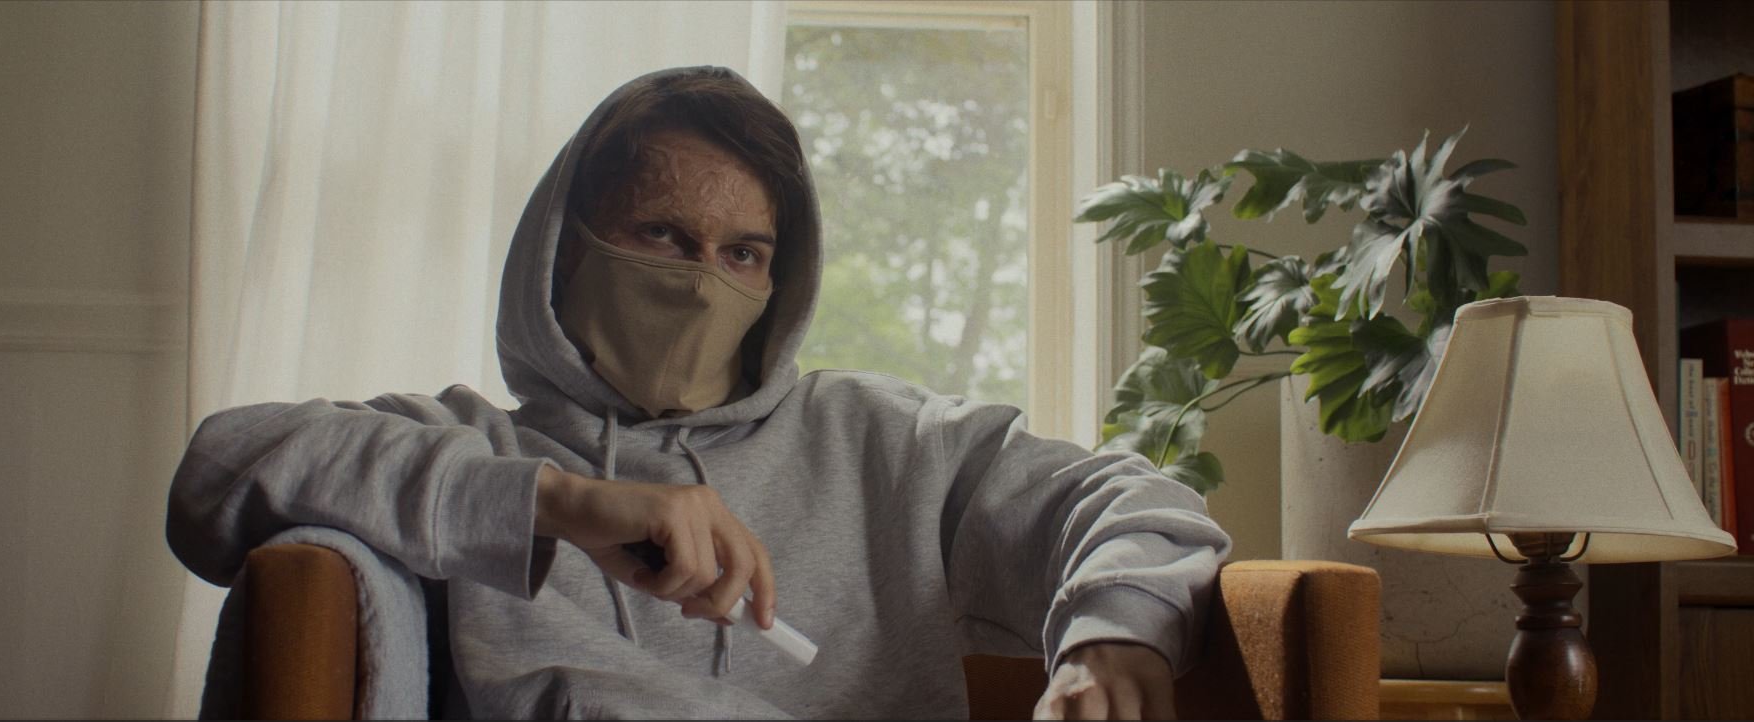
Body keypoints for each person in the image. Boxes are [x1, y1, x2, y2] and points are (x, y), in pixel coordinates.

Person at [167, 66, 1231, 720]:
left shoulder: (888, 442)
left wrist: (1111, 634)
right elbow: (219, 466)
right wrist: (560, 504)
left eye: (744, 253)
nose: (705, 280)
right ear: (565, 248)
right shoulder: (468, 449)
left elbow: (1135, 499)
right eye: (665, 236)